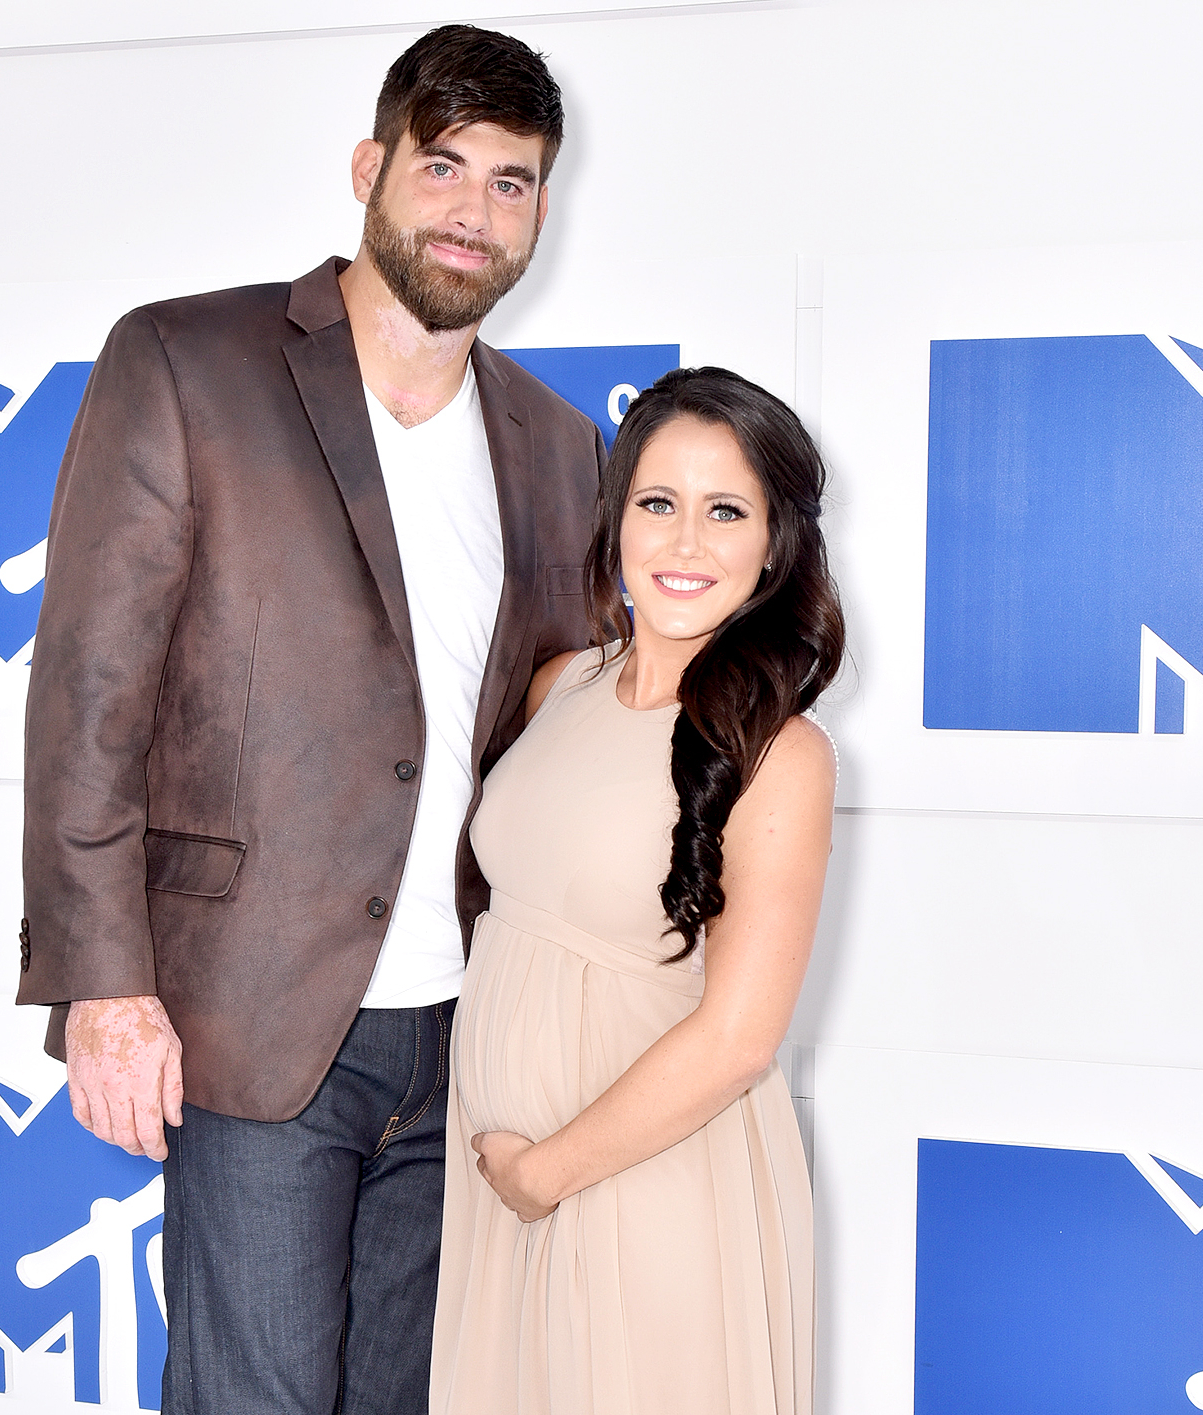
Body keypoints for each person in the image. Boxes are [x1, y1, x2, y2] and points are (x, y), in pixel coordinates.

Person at [15, 25, 602, 1415]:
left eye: (513, 183)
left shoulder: (559, 444)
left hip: (467, 1030)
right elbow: (91, 689)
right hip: (253, 1018)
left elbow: (557, 734)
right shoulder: (186, 360)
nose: (475, 211)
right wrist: (105, 983)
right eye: (446, 166)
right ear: (371, 165)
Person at [430, 366, 846, 1414]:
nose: (685, 542)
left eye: (724, 511)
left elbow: (738, 1037)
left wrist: (547, 1171)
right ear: (614, 520)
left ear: (772, 541)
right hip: (500, 1194)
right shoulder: (557, 682)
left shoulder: (780, 753)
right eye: (657, 503)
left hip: (646, 1190)